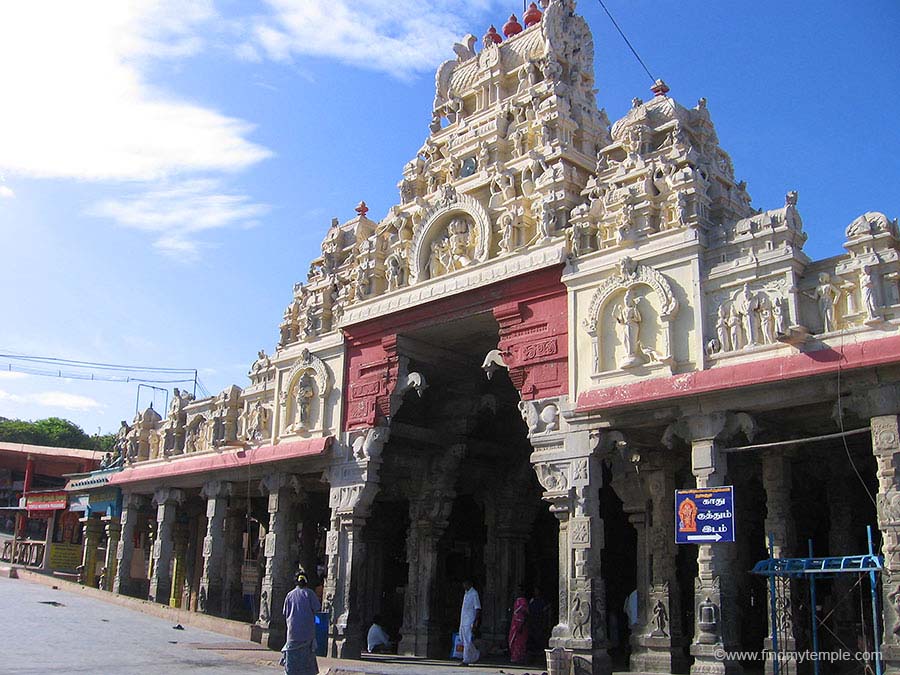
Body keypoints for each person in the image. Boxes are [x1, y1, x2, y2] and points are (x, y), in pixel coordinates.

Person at [281, 572, 321, 675]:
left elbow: (285, 613)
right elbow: (317, 609)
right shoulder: (310, 594)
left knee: (291, 666)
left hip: (292, 635)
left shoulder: (289, 595)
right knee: (307, 667)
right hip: (307, 636)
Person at [459, 578, 482, 665]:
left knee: (468, 640)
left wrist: (475, 622)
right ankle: (475, 655)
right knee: (463, 639)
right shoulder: (466, 594)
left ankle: (466, 660)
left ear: (470, 584)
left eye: (465, 584)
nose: (464, 586)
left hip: (470, 620)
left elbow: (477, 608)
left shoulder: (474, 594)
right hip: (463, 620)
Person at [507, 585, 529, 664]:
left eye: (520, 590)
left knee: (520, 642)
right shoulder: (516, 601)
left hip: (521, 624)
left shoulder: (523, 601)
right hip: (515, 623)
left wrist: (522, 625)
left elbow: (526, 614)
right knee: (513, 640)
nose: (518, 592)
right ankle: (514, 656)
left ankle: (519, 657)